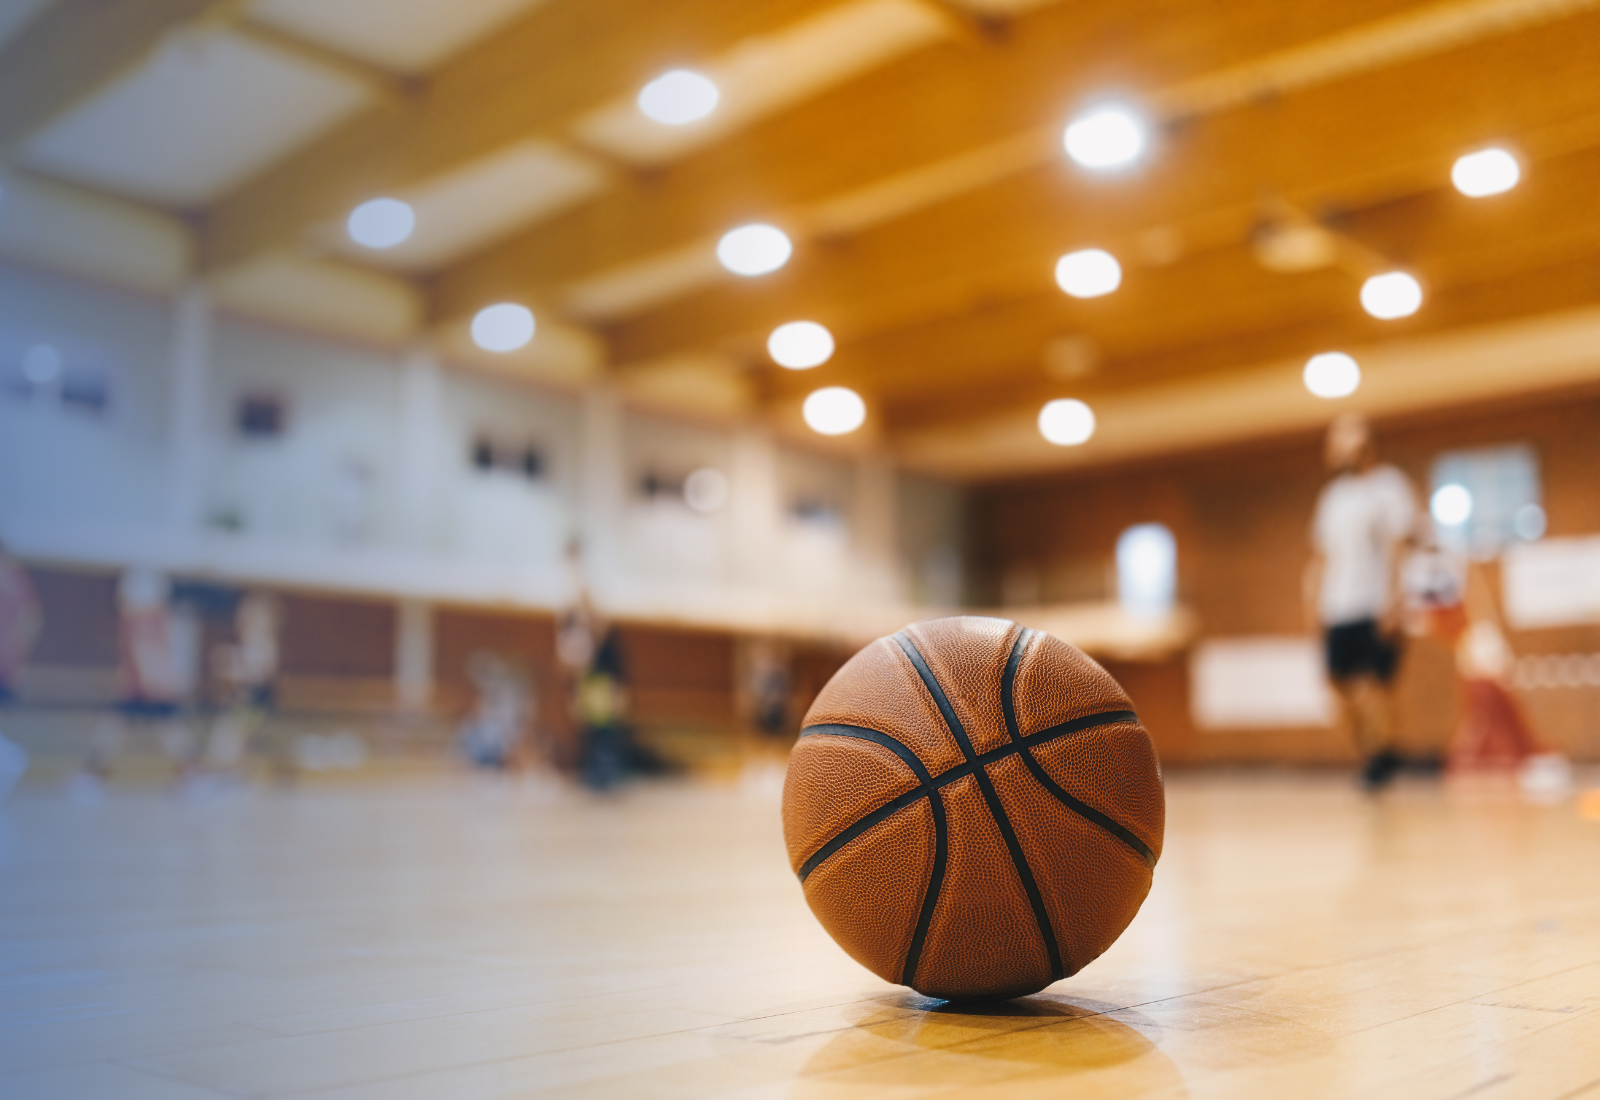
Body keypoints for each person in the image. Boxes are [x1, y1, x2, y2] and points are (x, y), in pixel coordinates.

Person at [1304, 414, 1417, 790]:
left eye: (1343, 435)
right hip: (1337, 606)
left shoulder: (1389, 487)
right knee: (1340, 685)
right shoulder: (1332, 498)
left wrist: (1395, 600)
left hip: (1374, 603)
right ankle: (1379, 751)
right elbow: (1321, 555)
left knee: (1373, 686)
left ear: (1364, 440)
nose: (1335, 444)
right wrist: (1311, 600)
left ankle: (1379, 759)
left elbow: (1399, 547)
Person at [0, 540, 42, 704]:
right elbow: (31, 618)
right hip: (9, 655)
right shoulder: (14, 576)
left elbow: (29, 617)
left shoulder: (12, 576)